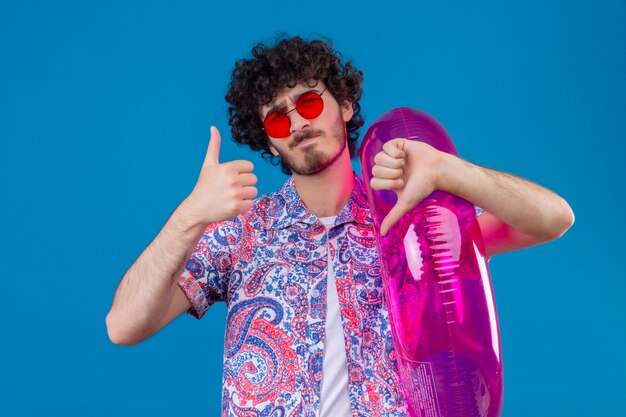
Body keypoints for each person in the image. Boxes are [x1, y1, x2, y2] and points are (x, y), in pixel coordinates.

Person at [106, 36, 574, 416]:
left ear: (345, 106)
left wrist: (450, 171)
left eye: (308, 103)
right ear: (267, 140)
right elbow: (123, 327)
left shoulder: (412, 218)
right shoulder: (241, 232)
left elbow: (554, 219)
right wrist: (188, 216)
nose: (295, 123)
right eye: (276, 116)